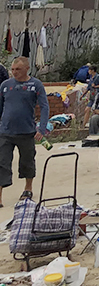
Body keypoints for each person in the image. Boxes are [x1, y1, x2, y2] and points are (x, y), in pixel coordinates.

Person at [0, 57, 49, 208]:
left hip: (26, 131)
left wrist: (42, 128)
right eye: (13, 70)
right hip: (6, 132)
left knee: (27, 161)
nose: (15, 73)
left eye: (18, 70)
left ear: (27, 69)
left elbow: (44, 106)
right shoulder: (5, 85)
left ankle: (28, 188)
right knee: (2, 163)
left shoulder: (35, 85)